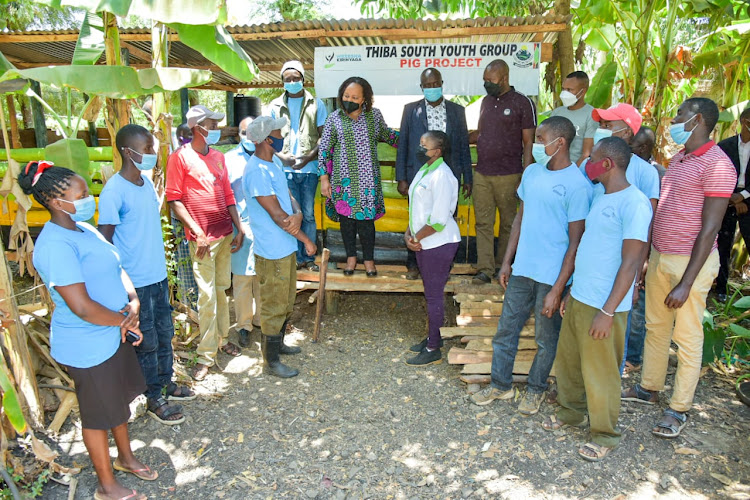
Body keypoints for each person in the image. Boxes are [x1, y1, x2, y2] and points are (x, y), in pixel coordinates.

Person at [21, 162, 156, 500]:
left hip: (112, 331)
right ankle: (106, 486)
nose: (89, 199)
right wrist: (125, 321)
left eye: (88, 193)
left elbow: (116, 264)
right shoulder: (55, 245)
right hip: (88, 343)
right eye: (81, 195)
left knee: (118, 401)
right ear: (55, 201)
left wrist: (133, 300)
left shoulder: (85, 229)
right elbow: (80, 306)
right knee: (97, 415)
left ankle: (125, 458)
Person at [622, 98, 737, 439]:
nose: (673, 119)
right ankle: (649, 387)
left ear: (697, 119)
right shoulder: (681, 158)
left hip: (692, 264)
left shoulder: (718, 165)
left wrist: (687, 283)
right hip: (661, 255)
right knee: (657, 327)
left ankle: (679, 408)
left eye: (680, 115)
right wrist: (648, 258)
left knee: (686, 337)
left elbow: (710, 229)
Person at [471, 117, 592, 414]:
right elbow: (519, 220)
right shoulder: (533, 173)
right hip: (523, 269)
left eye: (541, 138)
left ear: (560, 142)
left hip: (551, 277)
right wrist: (507, 262)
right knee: (506, 330)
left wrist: (560, 288)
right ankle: (501, 385)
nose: (536, 144)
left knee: (545, 338)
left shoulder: (577, 185)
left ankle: (536, 389)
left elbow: (576, 242)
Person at [543, 137, 652, 461]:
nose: (587, 163)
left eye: (592, 158)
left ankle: (605, 434)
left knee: (601, 371)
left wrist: (607, 311)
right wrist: (571, 291)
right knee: (571, 363)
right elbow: (591, 248)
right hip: (581, 297)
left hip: (606, 304)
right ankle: (570, 414)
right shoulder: (601, 196)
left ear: (607, 164)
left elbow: (631, 262)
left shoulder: (634, 203)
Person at [98, 124, 195, 426]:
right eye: (148, 148)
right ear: (129, 151)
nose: (153, 154)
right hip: (135, 283)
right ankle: (153, 396)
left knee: (165, 334)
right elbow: (105, 240)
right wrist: (119, 285)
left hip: (157, 276)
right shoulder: (114, 190)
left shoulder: (145, 183)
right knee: (146, 339)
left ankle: (164, 383)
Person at [166, 105, 245, 381]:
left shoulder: (218, 157)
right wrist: (197, 232)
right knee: (207, 296)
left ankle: (221, 339)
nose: (217, 129)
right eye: (212, 124)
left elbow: (228, 195)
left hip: (224, 233)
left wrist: (238, 227)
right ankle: (205, 355)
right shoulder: (179, 158)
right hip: (202, 240)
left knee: (222, 290)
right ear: (199, 128)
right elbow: (174, 200)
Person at [245, 116, 316, 378]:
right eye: (278, 132)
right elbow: (278, 217)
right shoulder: (256, 172)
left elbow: (288, 197)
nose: (282, 136)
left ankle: (279, 346)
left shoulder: (272, 162)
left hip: (285, 246)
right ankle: (270, 362)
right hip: (272, 251)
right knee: (274, 305)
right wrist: (307, 239)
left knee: (286, 301)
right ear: (265, 139)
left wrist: (297, 212)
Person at [396, 68, 472, 280]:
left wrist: (468, 177)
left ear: (442, 83)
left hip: (449, 175)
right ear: (421, 87)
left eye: (435, 84)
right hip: (419, 174)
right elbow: (403, 144)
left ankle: (443, 267)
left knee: (444, 218)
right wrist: (401, 177)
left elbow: (464, 146)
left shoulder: (457, 111)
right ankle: (414, 264)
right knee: (417, 219)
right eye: (427, 85)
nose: (431, 88)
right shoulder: (411, 110)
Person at [319, 77, 399, 276]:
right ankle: (351, 258)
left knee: (366, 223)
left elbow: (389, 136)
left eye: (355, 97)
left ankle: (369, 261)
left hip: (367, 182)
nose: (349, 99)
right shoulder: (334, 119)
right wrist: (324, 179)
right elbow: (325, 150)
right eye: (346, 95)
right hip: (343, 181)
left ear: (364, 99)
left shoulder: (374, 116)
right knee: (347, 222)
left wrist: (415, 139)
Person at [471, 59, 537, 284]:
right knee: (483, 223)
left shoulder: (522, 103)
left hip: (510, 174)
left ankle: (503, 266)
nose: (486, 84)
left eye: (491, 80)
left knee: (509, 223)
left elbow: (529, 142)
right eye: (484, 80)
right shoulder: (485, 102)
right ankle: (485, 269)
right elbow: (481, 133)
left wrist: (526, 176)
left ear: (505, 78)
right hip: (482, 173)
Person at [404, 131, 462, 365]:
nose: (420, 148)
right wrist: (409, 234)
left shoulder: (442, 176)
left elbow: (438, 220)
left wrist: (415, 237)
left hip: (438, 243)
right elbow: (416, 207)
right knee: (431, 294)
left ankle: (433, 347)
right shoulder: (426, 169)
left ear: (437, 151)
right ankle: (433, 335)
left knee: (434, 296)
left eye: (424, 145)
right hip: (424, 240)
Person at [270, 60, 328, 273]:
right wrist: (282, 157)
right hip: (284, 169)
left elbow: (324, 137)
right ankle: (293, 256)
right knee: (290, 214)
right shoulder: (275, 106)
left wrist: (308, 158)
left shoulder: (316, 104)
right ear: (282, 82)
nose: (292, 82)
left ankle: (309, 257)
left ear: (304, 80)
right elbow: (269, 137)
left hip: (309, 169)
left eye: (296, 79)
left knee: (308, 214)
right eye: (288, 80)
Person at [621, 125, 666, 374]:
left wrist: (645, 258)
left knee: (636, 306)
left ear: (645, 148)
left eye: (634, 147)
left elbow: (652, 218)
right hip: (629, 247)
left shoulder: (655, 173)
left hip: (645, 249)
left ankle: (634, 357)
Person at [224, 116, 262, 347]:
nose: (248, 137)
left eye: (252, 132)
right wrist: (239, 226)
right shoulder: (228, 160)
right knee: (242, 280)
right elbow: (226, 197)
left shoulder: (269, 158)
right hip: (239, 227)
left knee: (262, 277)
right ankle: (244, 325)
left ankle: (260, 320)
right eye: (243, 132)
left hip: (265, 227)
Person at [716, 108, 750, 300]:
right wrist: (733, 197)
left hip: (747, 200)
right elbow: (716, 174)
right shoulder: (724, 146)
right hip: (726, 199)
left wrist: (743, 196)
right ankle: (721, 289)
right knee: (723, 245)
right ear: (744, 121)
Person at [549, 71, 597, 166]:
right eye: (563, 89)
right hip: (554, 167)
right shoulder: (557, 113)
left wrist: (572, 172)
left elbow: (586, 154)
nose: (564, 93)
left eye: (569, 90)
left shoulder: (591, 114)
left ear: (582, 92)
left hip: (577, 169)